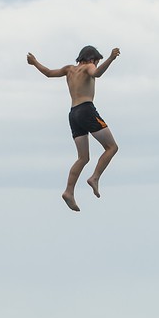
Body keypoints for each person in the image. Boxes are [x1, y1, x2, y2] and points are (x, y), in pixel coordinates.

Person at [26, 45, 121, 211]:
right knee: (112, 147)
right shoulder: (89, 67)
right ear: (92, 59)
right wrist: (111, 59)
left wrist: (34, 62)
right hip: (86, 110)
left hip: (73, 114)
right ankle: (95, 177)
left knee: (83, 157)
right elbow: (96, 73)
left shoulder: (69, 69)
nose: (96, 65)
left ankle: (69, 191)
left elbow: (48, 73)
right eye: (97, 61)